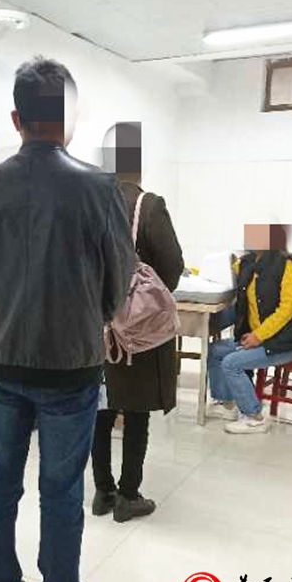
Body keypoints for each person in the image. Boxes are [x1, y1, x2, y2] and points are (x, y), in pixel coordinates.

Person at [0, 57, 135, 582]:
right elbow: (119, 281)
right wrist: (93, 313)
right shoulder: (99, 187)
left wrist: (4, 318)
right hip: (69, 365)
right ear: (70, 118)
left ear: (16, 119)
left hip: (0, 360)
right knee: (61, 489)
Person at [90, 122, 184, 523]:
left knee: (100, 410)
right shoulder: (149, 206)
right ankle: (129, 495)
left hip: (95, 330)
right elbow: (172, 267)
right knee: (136, 412)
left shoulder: (90, 202)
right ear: (138, 162)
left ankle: (102, 492)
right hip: (137, 333)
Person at [207, 223, 292, 434]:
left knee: (231, 363)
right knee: (215, 350)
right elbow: (226, 274)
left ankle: (255, 417)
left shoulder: (285, 266)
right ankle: (227, 404)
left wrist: (259, 336)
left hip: (284, 342)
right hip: (257, 337)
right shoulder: (248, 264)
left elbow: (287, 309)